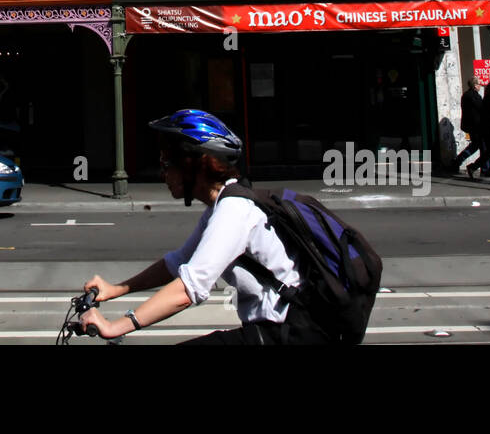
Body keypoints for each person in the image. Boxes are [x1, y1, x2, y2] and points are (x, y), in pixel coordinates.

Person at [79, 109, 323, 345]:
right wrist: (115, 289)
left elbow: (188, 290)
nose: (162, 173)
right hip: (272, 330)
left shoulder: (234, 211)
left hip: (288, 332)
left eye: (167, 163)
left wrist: (115, 326)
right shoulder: (221, 206)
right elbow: (178, 262)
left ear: (194, 165)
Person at [454, 78, 483, 172]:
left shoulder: (466, 95)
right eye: (479, 84)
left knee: (476, 145)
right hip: (476, 126)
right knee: (482, 146)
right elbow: (481, 108)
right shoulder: (474, 96)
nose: (480, 86)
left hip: (471, 125)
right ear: (475, 86)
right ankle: (486, 169)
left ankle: (458, 160)